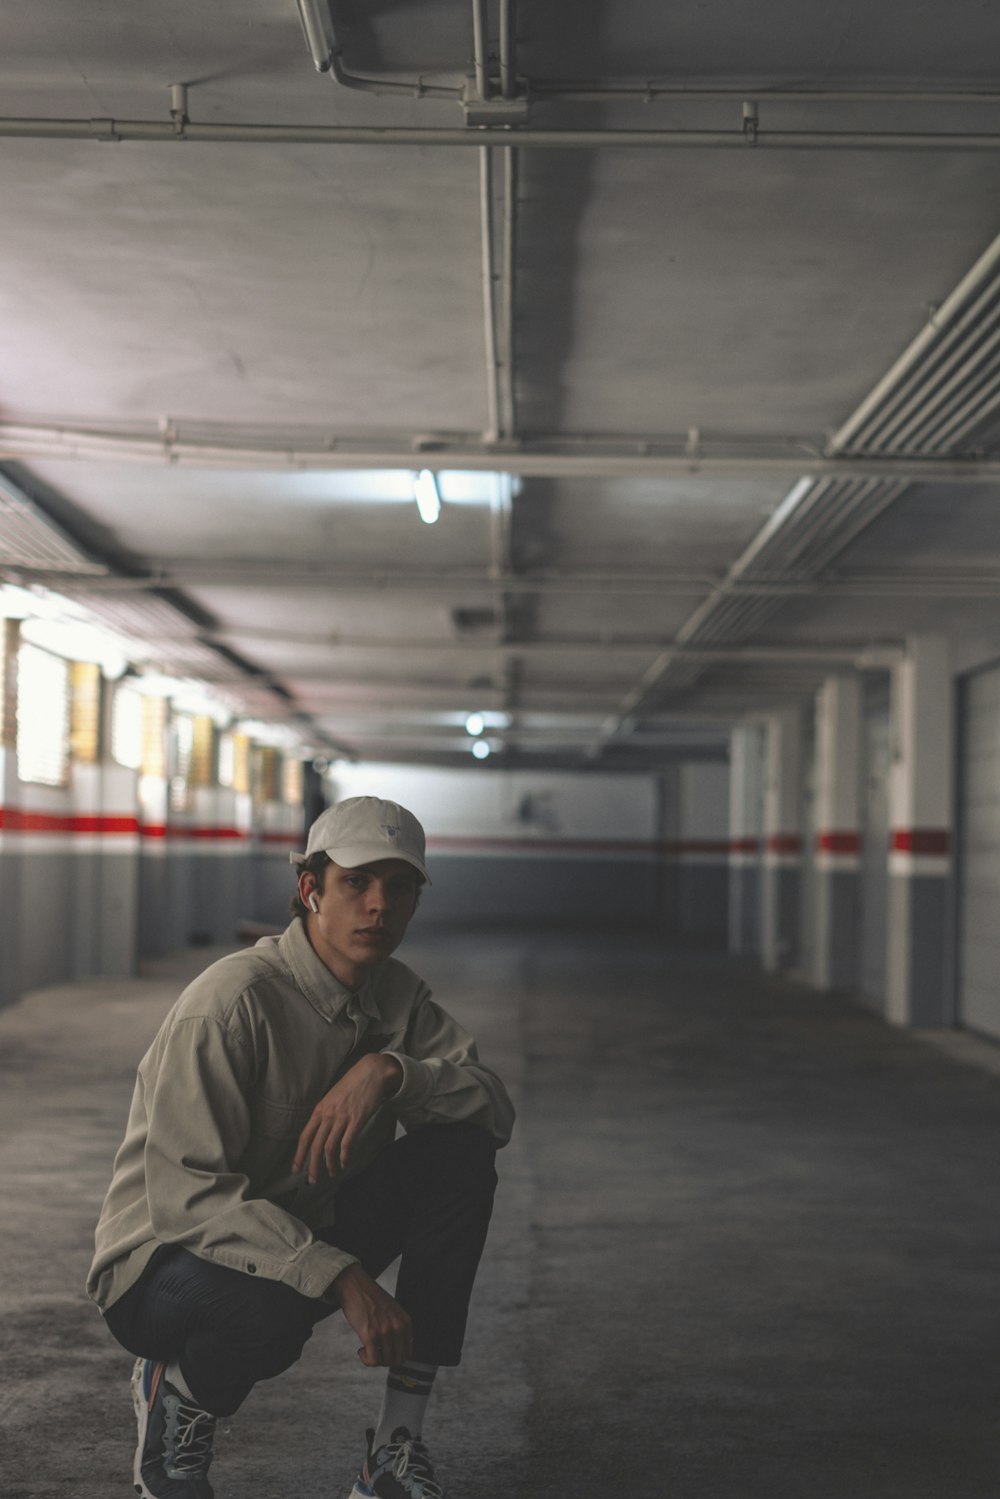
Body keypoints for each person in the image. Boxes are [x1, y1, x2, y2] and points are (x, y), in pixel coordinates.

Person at [87, 795, 514, 1499]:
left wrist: (390, 1072)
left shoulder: (396, 997)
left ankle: (394, 1448)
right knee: (269, 1314)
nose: (378, 905)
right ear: (310, 889)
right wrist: (342, 1276)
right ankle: (178, 1391)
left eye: (399, 887)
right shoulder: (231, 1003)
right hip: (162, 1259)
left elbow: (493, 1107)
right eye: (356, 882)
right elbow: (187, 1195)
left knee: (462, 1154)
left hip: (295, 1229)